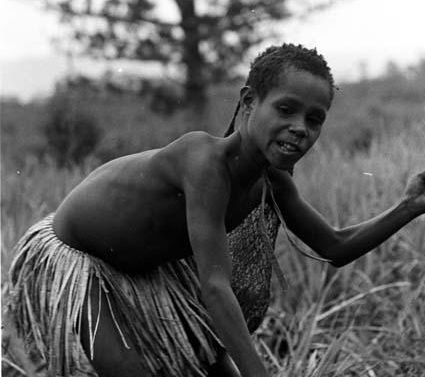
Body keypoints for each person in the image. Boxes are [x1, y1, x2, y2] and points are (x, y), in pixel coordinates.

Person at [7, 43, 425, 377]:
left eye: (314, 119)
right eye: (285, 109)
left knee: (209, 364)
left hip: (147, 269)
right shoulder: (203, 162)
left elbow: (334, 246)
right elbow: (214, 286)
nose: (300, 127)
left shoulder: (273, 183)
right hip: (77, 258)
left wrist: (410, 205)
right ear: (248, 101)